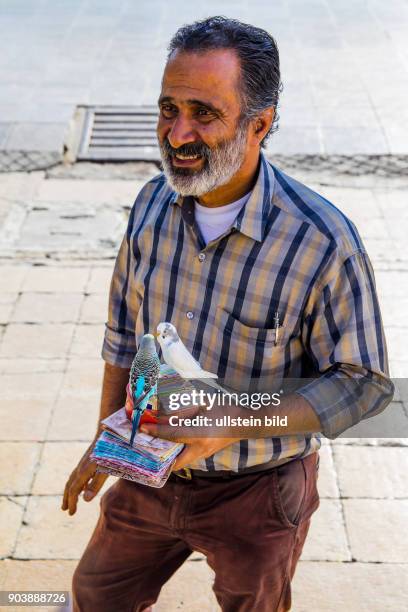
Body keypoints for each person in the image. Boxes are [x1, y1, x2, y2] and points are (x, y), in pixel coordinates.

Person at [63, 16, 394, 612]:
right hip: (147, 467)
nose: (177, 133)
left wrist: (233, 420)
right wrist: (106, 437)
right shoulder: (149, 204)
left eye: (205, 114)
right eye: (168, 108)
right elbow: (122, 331)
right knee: (95, 593)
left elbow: (365, 385)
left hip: (259, 494)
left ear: (260, 125)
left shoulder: (321, 242)